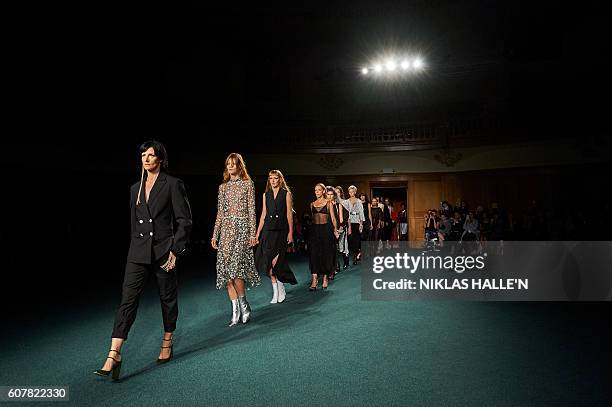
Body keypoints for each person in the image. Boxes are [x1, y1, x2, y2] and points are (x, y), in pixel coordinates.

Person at [94, 140, 193, 381]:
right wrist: (134, 248)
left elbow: (184, 220)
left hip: (163, 251)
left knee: (167, 298)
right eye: (143, 155)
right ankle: (113, 354)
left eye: (151, 155)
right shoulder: (134, 188)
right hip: (138, 252)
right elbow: (133, 222)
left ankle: (167, 341)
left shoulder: (172, 184)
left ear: (161, 158)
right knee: (127, 301)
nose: (146, 158)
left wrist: (175, 250)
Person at [211, 153, 261, 327]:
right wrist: (215, 234)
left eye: (234, 163)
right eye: (228, 163)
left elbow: (252, 210)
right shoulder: (223, 188)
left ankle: (244, 306)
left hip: (241, 230)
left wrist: (253, 234)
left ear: (240, 166)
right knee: (226, 273)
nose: (231, 166)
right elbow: (220, 212)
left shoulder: (248, 184)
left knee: (236, 270)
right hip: (225, 231)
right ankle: (235, 311)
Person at [255, 170, 297, 304]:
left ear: (280, 179)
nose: (273, 180)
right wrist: (257, 234)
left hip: (281, 231)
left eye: (275, 178)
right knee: (268, 263)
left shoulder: (286, 194)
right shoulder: (265, 195)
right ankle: (276, 292)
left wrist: (290, 232)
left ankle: (281, 289)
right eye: (271, 178)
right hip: (268, 231)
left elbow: (289, 215)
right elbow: (263, 215)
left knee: (276, 262)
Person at [309, 184, 339, 290]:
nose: (316, 192)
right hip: (314, 231)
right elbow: (312, 219)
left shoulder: (328, 203)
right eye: (315, 190)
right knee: (313, 254)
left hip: (326, 230)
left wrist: (335, 230)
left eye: (319, 190)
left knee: (326, 254)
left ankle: (325, 277)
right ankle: (314, 279)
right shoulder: (312, 204)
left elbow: (333, 218)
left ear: (323, 191)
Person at [345, 185, 365, 264]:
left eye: (352, 191)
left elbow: (361, 212)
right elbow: (346, 212)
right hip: (349, 221)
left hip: (357, 221)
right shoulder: (347, 201)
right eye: (350, 192)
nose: (351, 193)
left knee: (356, 240)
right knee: (351, 240)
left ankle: (355, 257)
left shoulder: (359, 201)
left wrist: (361, 223)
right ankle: (354, 254)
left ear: (355, 192)